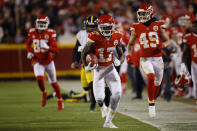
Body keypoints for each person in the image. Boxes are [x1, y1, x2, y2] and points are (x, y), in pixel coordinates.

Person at [126, 3, 170, 118]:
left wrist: (163, 45)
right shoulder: (136, 27)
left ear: (150, 13)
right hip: (145, 58)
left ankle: (152, 100)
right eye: (140, 14)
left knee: (157, 83)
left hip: (158, 58)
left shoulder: (158, 25)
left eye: (144, 14)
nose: (141, 16)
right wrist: (128, 54)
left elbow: (167, 41)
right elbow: (130, 43)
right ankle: (151, 105)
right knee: (150, 76)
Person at [81, 14, 124, 128]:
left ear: (113, 26)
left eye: (109, 27)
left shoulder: (117, 35)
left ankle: (108, 122)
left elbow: (121, 52)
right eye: (104, 27)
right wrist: (86, 66)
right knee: (99, 98)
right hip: (98, 69)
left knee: (117, 94)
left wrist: (120, 61)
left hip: (110, 68)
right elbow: (84, 52)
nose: (107, 30)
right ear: (99, 27)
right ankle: (102, 107)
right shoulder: (94, 36)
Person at [71, 16, 111, 111]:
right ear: (86, 26)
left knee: (97, 84)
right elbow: (76, 50)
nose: (92, 28)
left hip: (101, 64)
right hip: (87, 64)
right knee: (86, 87)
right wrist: (75, 61)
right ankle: (95, 101)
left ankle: (98, 104)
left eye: (94, 26)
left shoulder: (103, 34)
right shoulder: (81, 35)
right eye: (90, 26)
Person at [26, 14, 64, 110]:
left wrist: (48, 48)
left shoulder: (50, 33)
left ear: (47, 24)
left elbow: (56, 50)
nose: (42, 25)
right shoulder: (32, 32)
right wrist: (29, 52)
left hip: (48, 61)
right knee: (39, 79)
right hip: (37, 60)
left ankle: (60, 100)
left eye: (44, 23)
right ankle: (44, 92)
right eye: (40, 23)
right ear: (36, 23)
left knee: (54, 83)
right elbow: (28, 44)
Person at [182, 21, 197, 111]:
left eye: (196, 26)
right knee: (195, 83)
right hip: (194, 63)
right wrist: (183, 64)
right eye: (194, 26)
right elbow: (185, 52)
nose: (195, 28)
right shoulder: (188, 37)